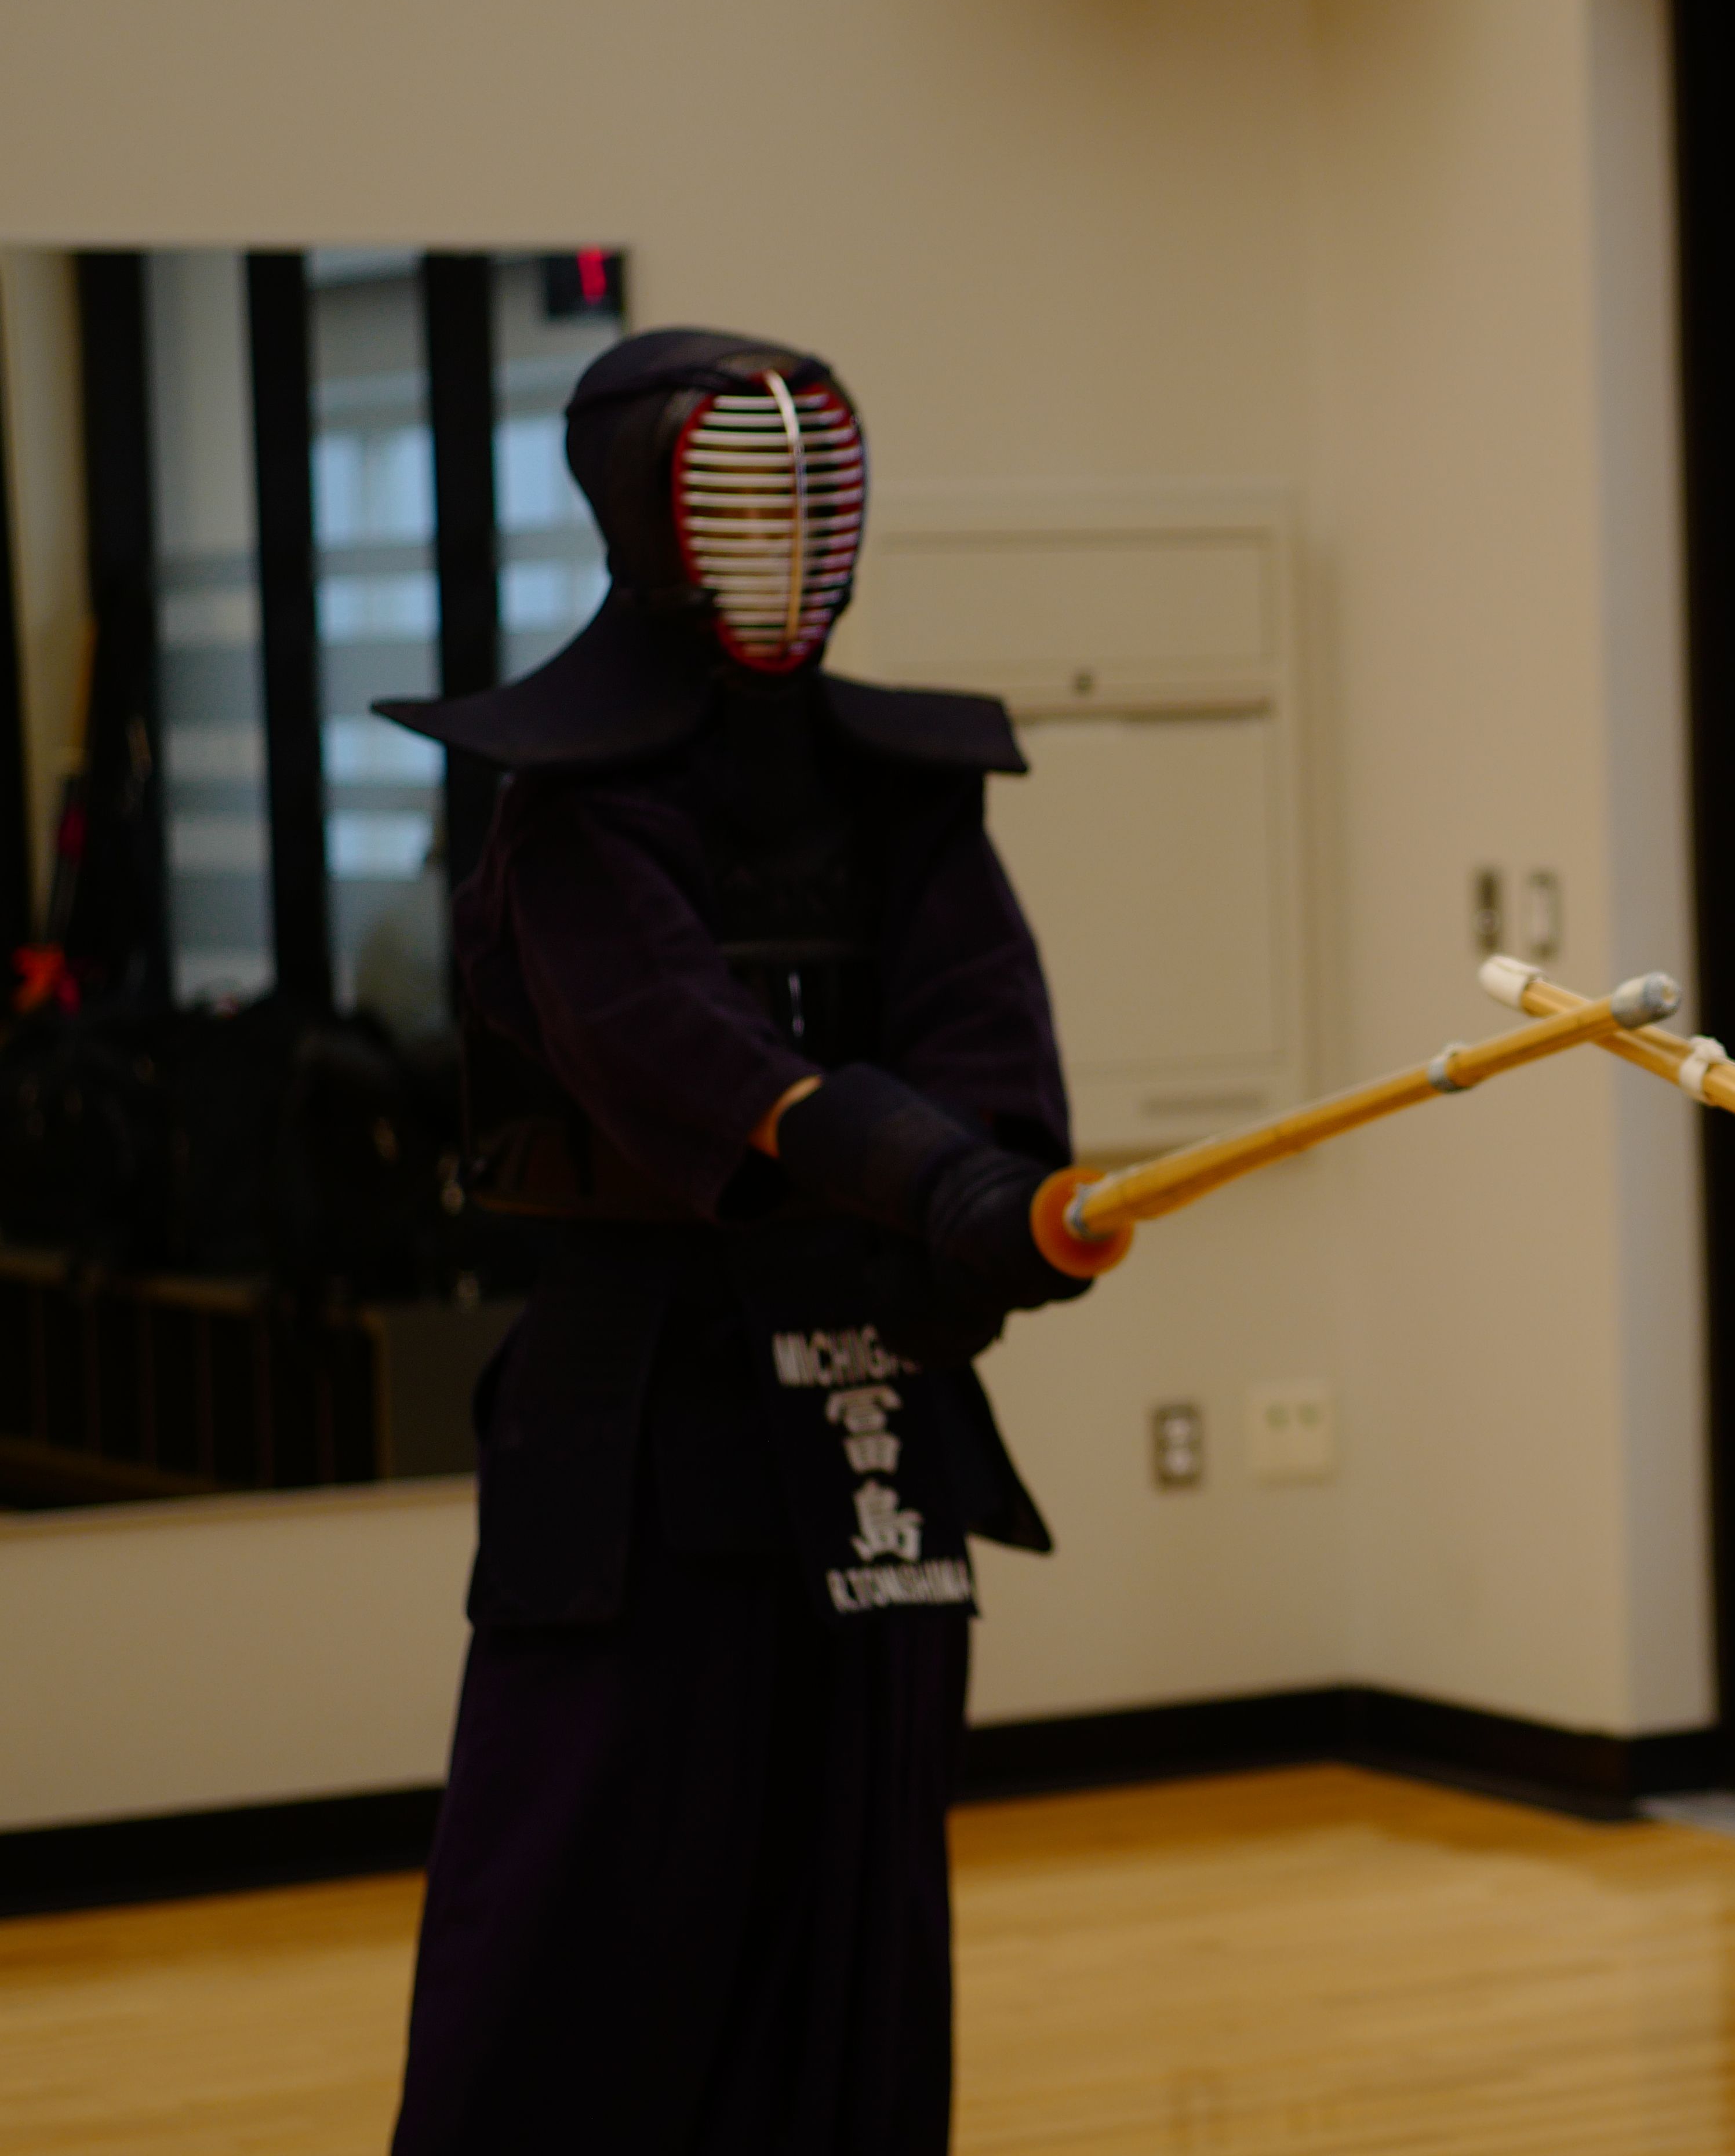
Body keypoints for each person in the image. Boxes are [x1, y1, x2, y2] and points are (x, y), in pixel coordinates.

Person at [378, 329, 1119, 2153]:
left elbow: (985, 1038)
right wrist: (926, 1175)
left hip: (869, 1408)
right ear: (654, 516)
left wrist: (996, 1208)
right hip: (642, 1426)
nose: (785, 536)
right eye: (741, 495)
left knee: (855, 1884)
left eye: (815, 493)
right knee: (586, 1894)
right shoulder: (570, 806)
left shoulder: (906, 791)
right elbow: (682, 1053)